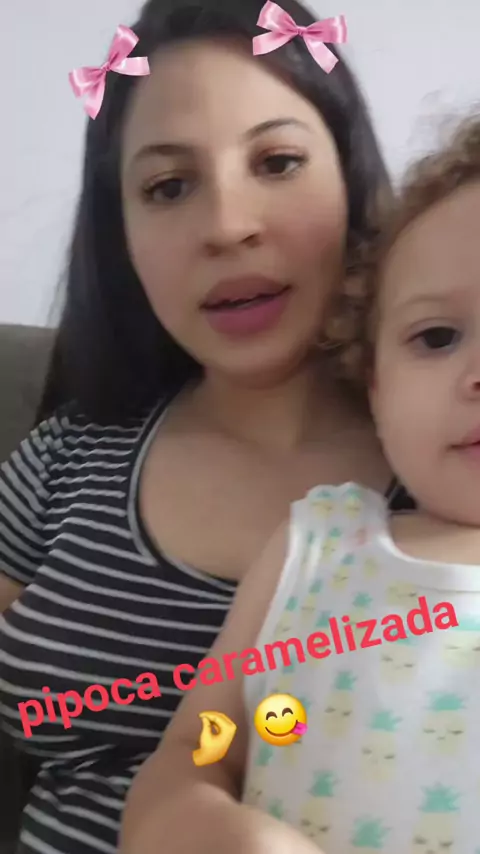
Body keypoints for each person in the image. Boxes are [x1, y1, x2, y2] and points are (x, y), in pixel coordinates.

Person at [0, 0, 407, 851]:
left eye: (278, 162)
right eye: (169, 187)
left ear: (351, 180)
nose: (226, 226)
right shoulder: (68, 455)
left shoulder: (450, 466)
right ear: (122, 234)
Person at [120, 115, 480, 854]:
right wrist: (185, 813)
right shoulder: (317, 549)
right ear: (375, 385)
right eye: (437, 337)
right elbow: (201, 741)